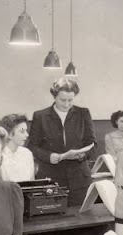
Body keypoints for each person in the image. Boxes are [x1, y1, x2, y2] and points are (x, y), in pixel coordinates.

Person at [27, 77, 97, 206]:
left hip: (79, 179)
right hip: (51, 177)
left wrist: (82, 155)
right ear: (54, 96)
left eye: (70, 100)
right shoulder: (40, 116)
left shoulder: (83, 113)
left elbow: (92, 144)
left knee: (82, 220)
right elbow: (32, 145)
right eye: (62, 100)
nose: (66, 104)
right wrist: (49, 156)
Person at [0, 113, 35, 182]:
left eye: (26, 131)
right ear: (9, 134)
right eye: (22, 131)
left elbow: (32, 182)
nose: (27, 135)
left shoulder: (27, 154)